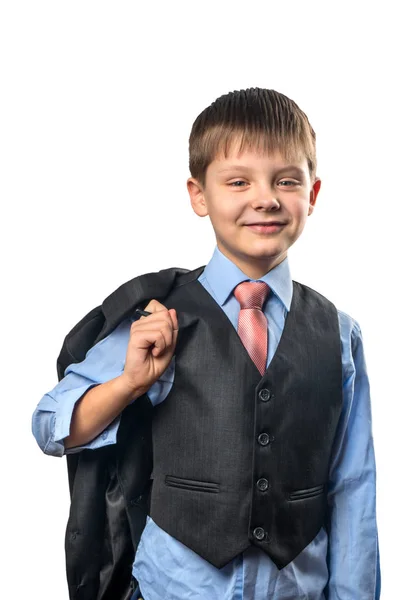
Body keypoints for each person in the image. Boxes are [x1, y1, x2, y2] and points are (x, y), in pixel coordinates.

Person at [32, 87, 381, 599]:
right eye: (238, 181)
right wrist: (130, 383)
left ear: (312, 193)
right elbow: (49, 427)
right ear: (199, 195)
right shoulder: (156, 315)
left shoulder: (339, 334)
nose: (265, 197)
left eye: (285, 180)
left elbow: (353, 486)